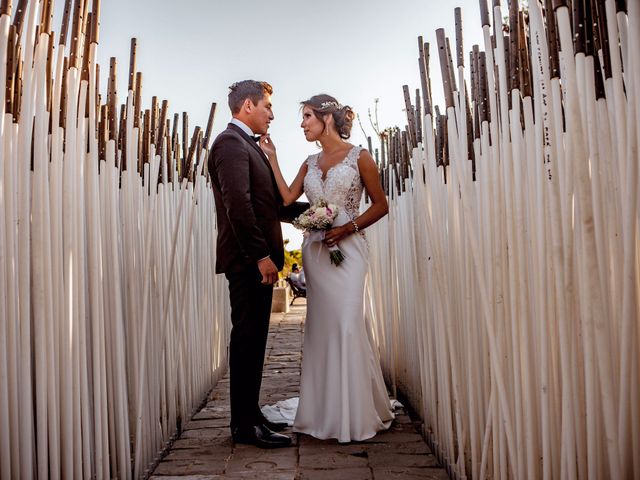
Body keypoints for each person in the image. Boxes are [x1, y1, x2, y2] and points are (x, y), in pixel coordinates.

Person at [260, 94, 394, 442]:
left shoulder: (359, 157)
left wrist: (348, 228)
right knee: (322, 328)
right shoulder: (308, 161)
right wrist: (273, 159)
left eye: (306, 117)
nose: (302, 124)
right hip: (316, 252)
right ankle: (326, 411)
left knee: (348, 323)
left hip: (349, 250)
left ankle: (355, 413)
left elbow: (381, 205)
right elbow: (288, 198)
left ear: (326, 118)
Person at [208, 80, 307, 448]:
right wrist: (261, 256)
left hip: (255, 261)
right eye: (267, 106)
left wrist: (321, 214)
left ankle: (250, 416)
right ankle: (244, 427)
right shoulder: (230, 144)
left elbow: (271, 207)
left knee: (255, 341)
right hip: (249, 261)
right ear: (247, 105)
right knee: (247, 340)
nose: (272, 113)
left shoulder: (250, 147)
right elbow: (239, 205)